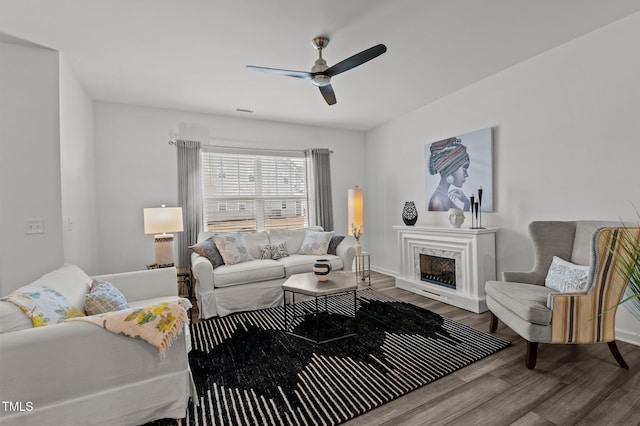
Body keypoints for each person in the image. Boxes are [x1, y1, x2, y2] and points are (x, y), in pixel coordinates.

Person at [427, 137, 471, 211]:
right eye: (464, 169)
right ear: (450, 169)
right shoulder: (438, 201)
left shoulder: (442, 197)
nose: (467, 175)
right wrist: (467, 203)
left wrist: (467, 203)